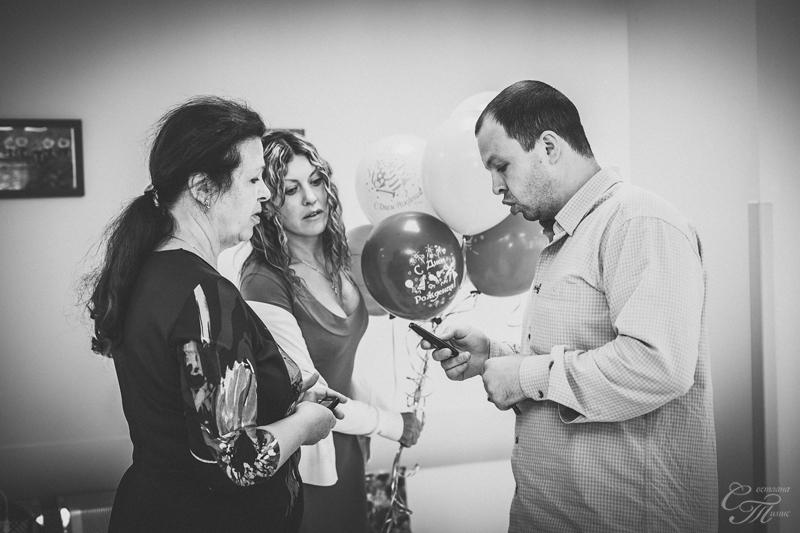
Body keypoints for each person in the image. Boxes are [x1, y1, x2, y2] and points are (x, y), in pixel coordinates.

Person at [427, 81, 718, 532]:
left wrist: (523, 377)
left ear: (548, 147)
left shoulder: (638, 221)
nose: (495, 187)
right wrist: (494, 356)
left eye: (501, 166)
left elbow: (658, 365)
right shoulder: (563, 238)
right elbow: (572, 356)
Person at [83, 97, 346, 533]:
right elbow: (235, 463)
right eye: (254, 179)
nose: (266, 193)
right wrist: (305, 424)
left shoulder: (149, 270)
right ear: (204, 188)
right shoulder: (205, 295)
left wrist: (288, 396)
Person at [236, 130, 423, 533]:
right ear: (266, 202)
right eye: (291, 189)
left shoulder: (339, 256)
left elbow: (341, 366)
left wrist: (394, 415)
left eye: (316, 181)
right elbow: (311, 391)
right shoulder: (263, 282)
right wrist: (391, 424)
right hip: (306, 460)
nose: (311, 198)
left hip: (349, 444)